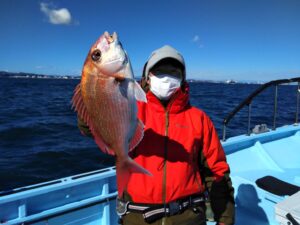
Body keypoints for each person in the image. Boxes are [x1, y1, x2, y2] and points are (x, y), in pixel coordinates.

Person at [78, 45, 235, 225]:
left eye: (174, 71)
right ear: (148, 76)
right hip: (138, 219)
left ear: (183, 78)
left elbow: (217, 172)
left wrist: (225, 219)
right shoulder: (131, 107)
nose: (167, 77)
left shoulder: (200, 119)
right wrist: (93, 89)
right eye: (159, 71)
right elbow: (87, 127)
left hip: (189, 217)